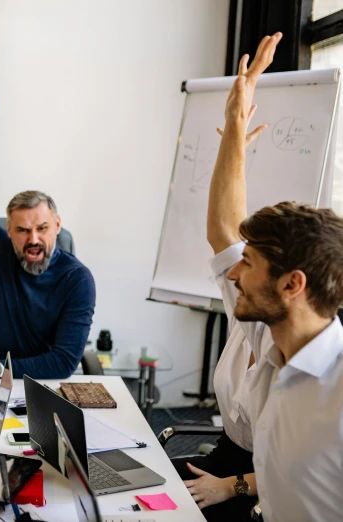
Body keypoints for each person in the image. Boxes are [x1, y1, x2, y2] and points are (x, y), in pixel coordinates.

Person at [202, 32, 343, 522]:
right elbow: (223, 229)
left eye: (251, 263)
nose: (234, 272)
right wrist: (235, 124)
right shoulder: (268, 329)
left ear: (292, 284)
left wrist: (235, 488)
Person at [0, 96, 96, 383]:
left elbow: (62, 363)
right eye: (23, 230)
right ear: (9, 230)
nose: (33, 239)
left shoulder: (78, 280)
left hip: (33, 385)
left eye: (42, 228)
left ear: (58, 226)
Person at [172, 330, 259, 521]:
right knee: (149, 483)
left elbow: (295, 477)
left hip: (261, 489)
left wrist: (228, 487)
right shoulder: (245, 325)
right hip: (223, 458)